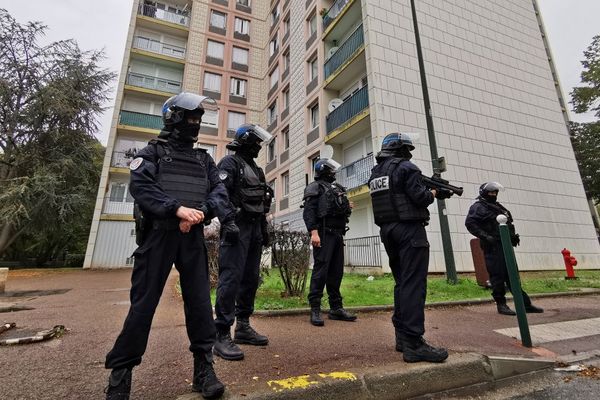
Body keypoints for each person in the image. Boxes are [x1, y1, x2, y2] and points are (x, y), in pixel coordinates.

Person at [104, 93, 239, 400]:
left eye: (198, 118)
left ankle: (203, 371)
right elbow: (141, 186)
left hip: (191, 237)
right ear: (174, 118)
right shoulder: (151, 152)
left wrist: (201, 211)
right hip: (159, 235)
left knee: (201, 305)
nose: (195, 123)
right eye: (190, 117)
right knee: (143, 306)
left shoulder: (203, 159)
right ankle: (120, 376)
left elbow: (220, 193)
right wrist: (176, 209)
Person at [368, 133, 450, 363]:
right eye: (407, 149)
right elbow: (420, 198)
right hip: (409, 232)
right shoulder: (407, 168)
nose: (410, 154)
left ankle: (402, 337)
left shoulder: (377, 173)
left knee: (402, 283)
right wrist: (434, 192)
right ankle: (414, 343)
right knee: (413, 285)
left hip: (388, 231)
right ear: (400, 149)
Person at [212, 124, 274, 361]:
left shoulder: (257, 170)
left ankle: (243, 326)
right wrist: (228, 223)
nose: (259, 146)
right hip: (236, 228)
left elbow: (261, 204)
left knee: (249, 278)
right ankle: (221, 333)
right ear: (246, 141)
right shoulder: (230, 164)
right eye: (257, 142)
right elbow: (220, 196)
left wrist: (264, 230)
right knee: (231, 278)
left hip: (254, 229)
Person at [465, 182, 544, 316]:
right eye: (491, 192)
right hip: (493, 247)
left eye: (495, 192)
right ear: (484, 193)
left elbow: (507, 222)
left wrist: (513, 237)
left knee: (512, 274)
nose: (493, 195)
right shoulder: (478, 207)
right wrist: (486, 237)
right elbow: (470, 223)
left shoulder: (497, 207)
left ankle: (525, 304)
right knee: (497, 275)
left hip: (505, 245)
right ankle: (501, 305)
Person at [302, 158, 356, 326]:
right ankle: (315, 309)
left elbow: (340, 208)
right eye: (331, 169)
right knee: (320, 272)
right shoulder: (314, 187)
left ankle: (336, 308)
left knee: (336, 272)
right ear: (324, 170)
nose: (334, 172)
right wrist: (314, 232)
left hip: (338, 235)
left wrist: (347, 206)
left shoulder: (336, 188)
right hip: (323, 234)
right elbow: (309, 212)